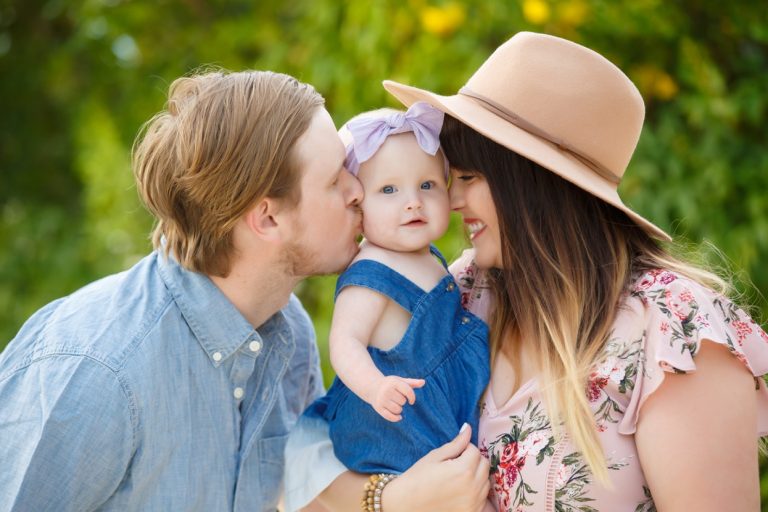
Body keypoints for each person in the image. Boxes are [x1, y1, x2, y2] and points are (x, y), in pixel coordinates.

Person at [284, 32, 768, 512]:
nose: (451, 203)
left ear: (532, 186)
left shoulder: (674, 333)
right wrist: (391, 499)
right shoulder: (472, 289)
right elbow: (317, 462)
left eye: (469, 179)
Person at [0, 70, 363, 511]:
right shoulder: (97, 372)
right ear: (267, 218)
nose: (358, 190)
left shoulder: (291, 334)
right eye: (334, 180)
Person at [305, 102, 490, 477]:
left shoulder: (430, 257)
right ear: (358, 205)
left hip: (435, 411)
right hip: (394, 427)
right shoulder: (370, 272)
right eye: (388, 189)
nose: (413, 202)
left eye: (427, 185)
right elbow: (344, 343)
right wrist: (375, 387)